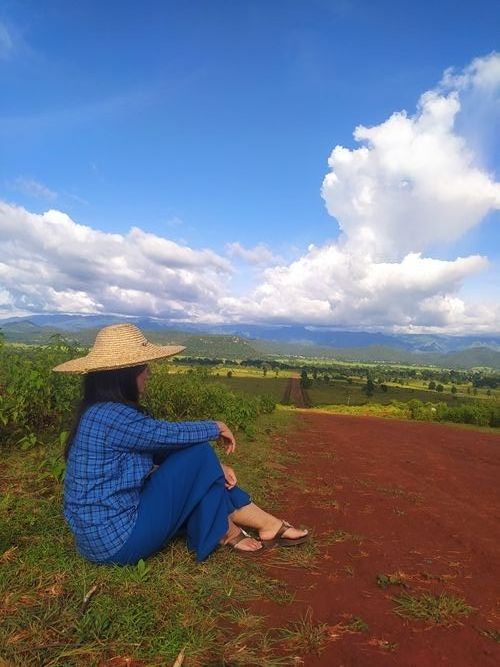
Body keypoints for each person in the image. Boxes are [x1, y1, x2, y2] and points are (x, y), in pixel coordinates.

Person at [53, 323, 308, 565]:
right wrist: (215, 427)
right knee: (199, 452)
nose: (149, 373)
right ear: (124, 375)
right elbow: (164, 434)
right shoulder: (112, 416)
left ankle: (260, 525)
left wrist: (215, 466)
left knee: (200, 461)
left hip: (96, 541)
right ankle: (237, 529)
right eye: (143, 367)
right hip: (118, 541)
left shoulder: (98, 412)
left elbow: (157, 447)